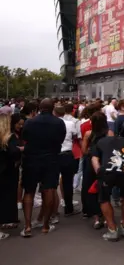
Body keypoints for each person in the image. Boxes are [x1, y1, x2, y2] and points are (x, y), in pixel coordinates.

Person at [20, 98, 66, 237]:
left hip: (32, 159)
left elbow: (24, 137)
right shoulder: (59, 122)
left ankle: (27, 226)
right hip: (51, 159)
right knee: (49, 190)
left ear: (39, 108)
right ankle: (45, 225)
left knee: (29, 192)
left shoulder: (30, 122)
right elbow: (61, 139)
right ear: (53, 108)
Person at [91, 123, 124, 241]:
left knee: (104, 199)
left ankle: (112, 230)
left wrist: (98, 171)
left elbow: (94, 158)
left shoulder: (100, 142)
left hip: (106, 173)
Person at [0, 113, 21, 239]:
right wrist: (20, 151)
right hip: (7, 171)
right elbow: (14, 152)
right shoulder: (9, 137)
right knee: (5, 197)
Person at [60, 102, 80, 216]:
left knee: (51, 184)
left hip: (54, 154)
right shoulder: (71, 123)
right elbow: (75, 136)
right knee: (68, 182)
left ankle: (52, 213)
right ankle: (69, 208)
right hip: (67, 153)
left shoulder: (54, 123)